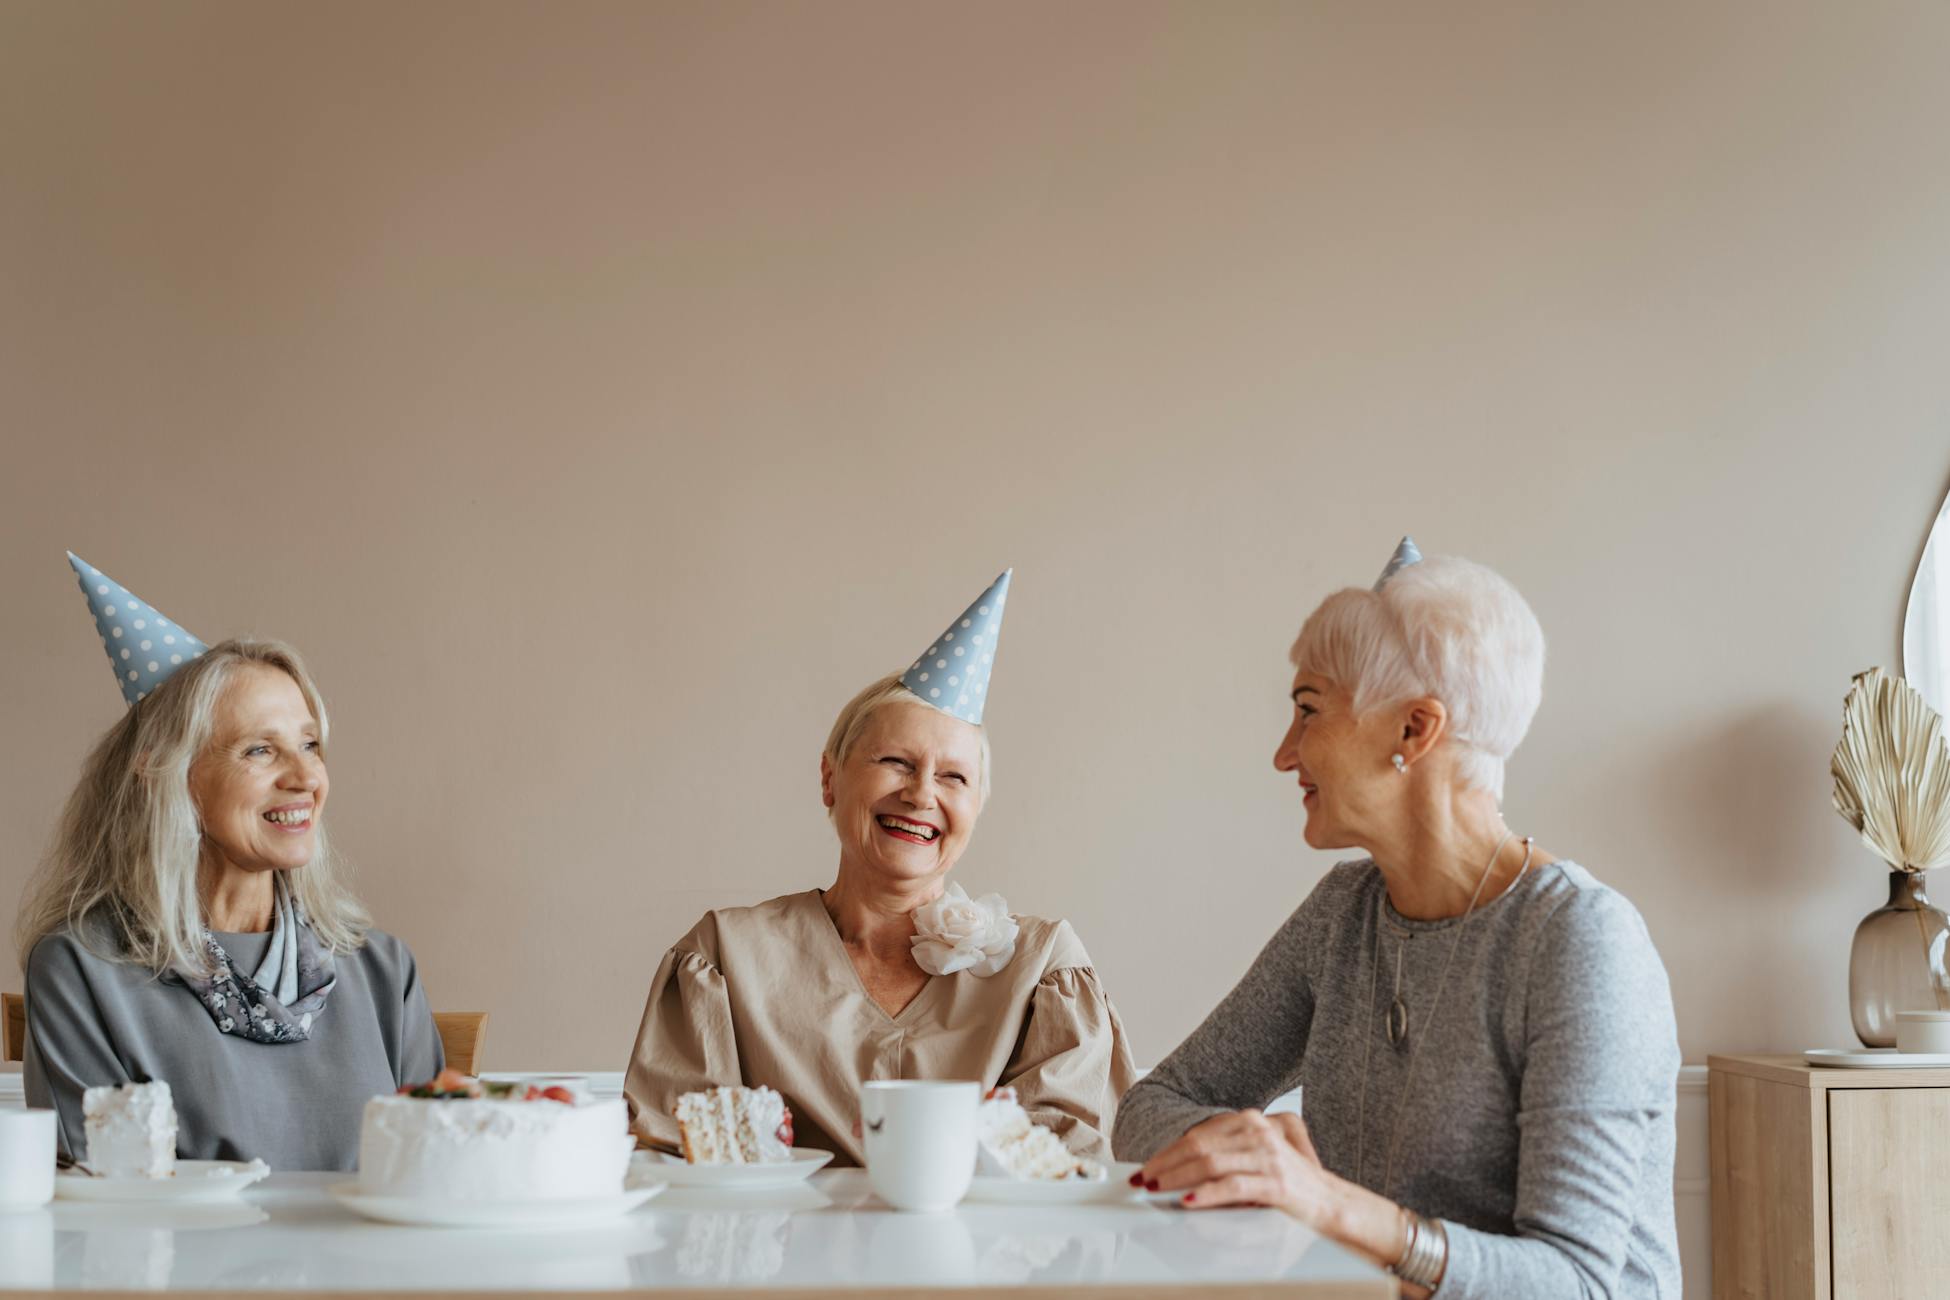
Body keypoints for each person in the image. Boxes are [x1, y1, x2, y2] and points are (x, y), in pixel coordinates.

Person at [1114, 540, 1680, 1298]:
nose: (1286, 754)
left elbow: (1578, 1283)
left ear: (1414, 730)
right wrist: (1239, 1153)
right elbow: (1151, 1105)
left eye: (1309, 710)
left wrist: (1329, 1205)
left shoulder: (1579, 941)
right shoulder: (1342, 915)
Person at [626, 571, 1136, 1165]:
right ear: (829, 779)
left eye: (953, 777)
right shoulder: (723, 956)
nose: (922, 795)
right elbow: (679, 1157)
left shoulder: (1044, 969)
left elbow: (1056, 1170)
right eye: (895, 761)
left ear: (975, 808)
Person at [18, 555, 442, 1170]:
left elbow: (435, 1176)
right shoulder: (83, 971)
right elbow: (113, 1215)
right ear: (169, 775)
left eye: (309, 744)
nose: (305, 778)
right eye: (260, 750)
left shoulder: (382, 971)